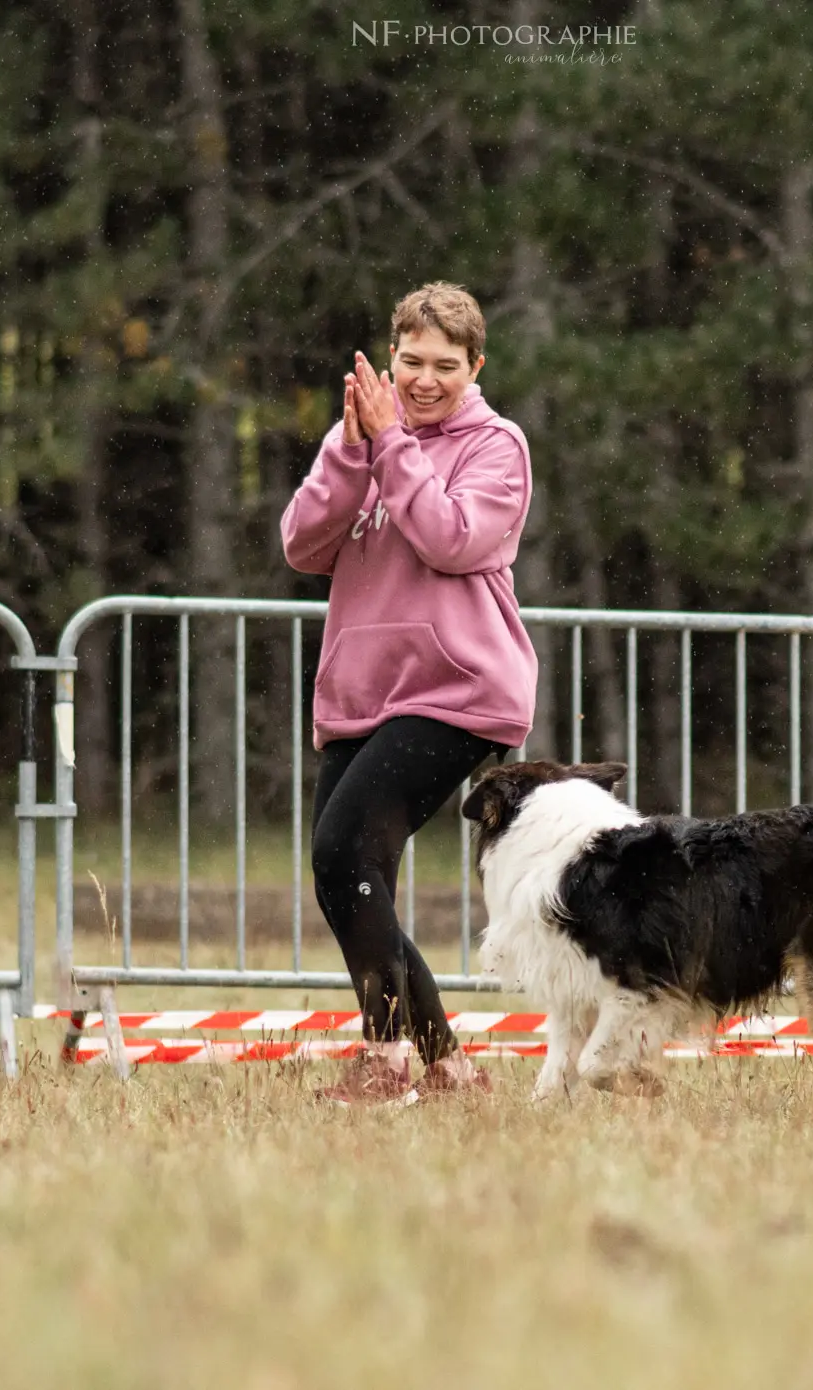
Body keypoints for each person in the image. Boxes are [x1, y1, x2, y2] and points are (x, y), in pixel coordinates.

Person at [280, 282, 537, 1103]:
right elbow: (302, 545)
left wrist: (390, 446)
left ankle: (385, 1062)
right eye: (412, 361)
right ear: (390, 357)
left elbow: (449, 539)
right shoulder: (364, 438)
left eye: (447, 366)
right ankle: (446, 1066)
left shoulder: (497, 447)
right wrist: (352, 450)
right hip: (362, 692)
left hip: (456, 690)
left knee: (343, 850)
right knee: (347, 873)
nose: (427, 380)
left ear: (476, 366)